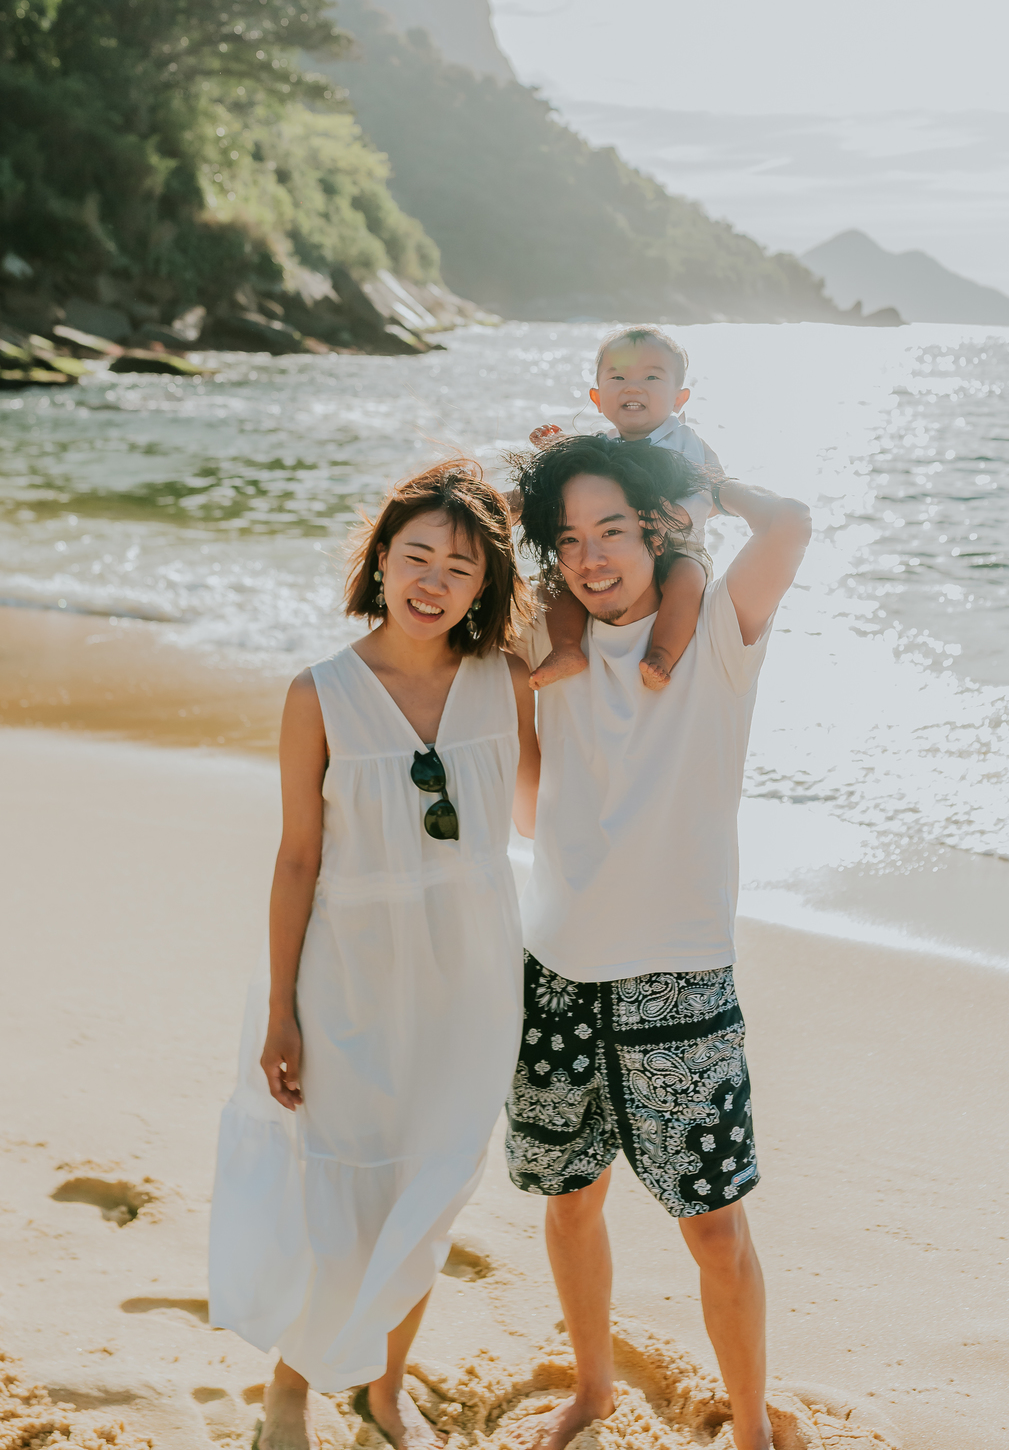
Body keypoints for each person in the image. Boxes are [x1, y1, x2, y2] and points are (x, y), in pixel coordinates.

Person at [208, 461, 539, 1450]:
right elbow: (297, 859)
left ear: (487, 586)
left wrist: (537, 488)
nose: (433, 581)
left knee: (430, 1193)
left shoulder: (505, 681)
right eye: (417, 556)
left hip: (472, 985)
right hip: (348, 982)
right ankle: (290, 1390)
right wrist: (281, 1010)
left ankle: (383, 1391)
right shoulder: (321, 695)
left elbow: (590, 632)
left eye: (461, 567)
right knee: (343, 1198)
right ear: (380, 562)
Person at [504, 432, 811, 1450]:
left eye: (611, 531)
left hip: (679, 982)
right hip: (557, 972)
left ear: (653, 531)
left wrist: (704, 488)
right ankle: (591, 1390)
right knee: (570, 1200)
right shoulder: (551, 654)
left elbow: (792, 524)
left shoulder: (718, 632)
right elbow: (527, 803)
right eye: (570, 540)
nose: (592, 557)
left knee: (715, 1230)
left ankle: (754, 1429)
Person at [525, 326, 722, 693]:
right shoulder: (606, 443)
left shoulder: (685, 442)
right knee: (557, 578)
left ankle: (662, 652)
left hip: (679, 546)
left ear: (679, 398)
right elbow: (580, 462)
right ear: (598, 398)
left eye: (651, 376)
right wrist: (554, 445)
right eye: (618, 377)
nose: (633, 387)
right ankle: (566, 648)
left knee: (687, 578)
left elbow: (713, 488)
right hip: (620, 547)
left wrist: (679, 513)